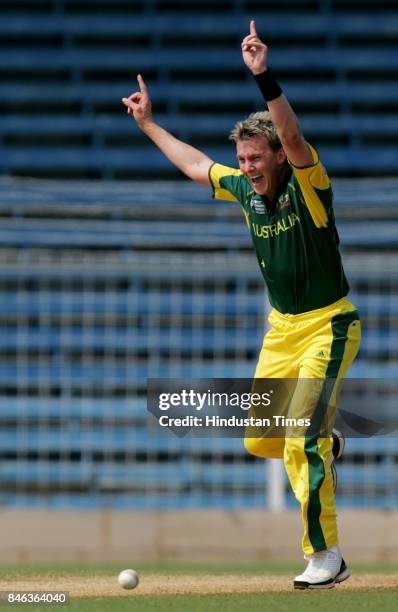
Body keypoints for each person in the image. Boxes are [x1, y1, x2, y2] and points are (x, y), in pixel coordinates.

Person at [122, 20, 361, 589]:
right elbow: (194, 165)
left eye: (257, 158)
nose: (249, 168)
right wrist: (149, 124)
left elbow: (296, 138)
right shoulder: (245, 193)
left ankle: (326, 557)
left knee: (298, 434)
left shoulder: (309, 184)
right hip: (283, 330)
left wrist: (264, 77)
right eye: (244, 159)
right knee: (261, 437)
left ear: (277, 157)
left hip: (330, 324)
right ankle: (327, 440)